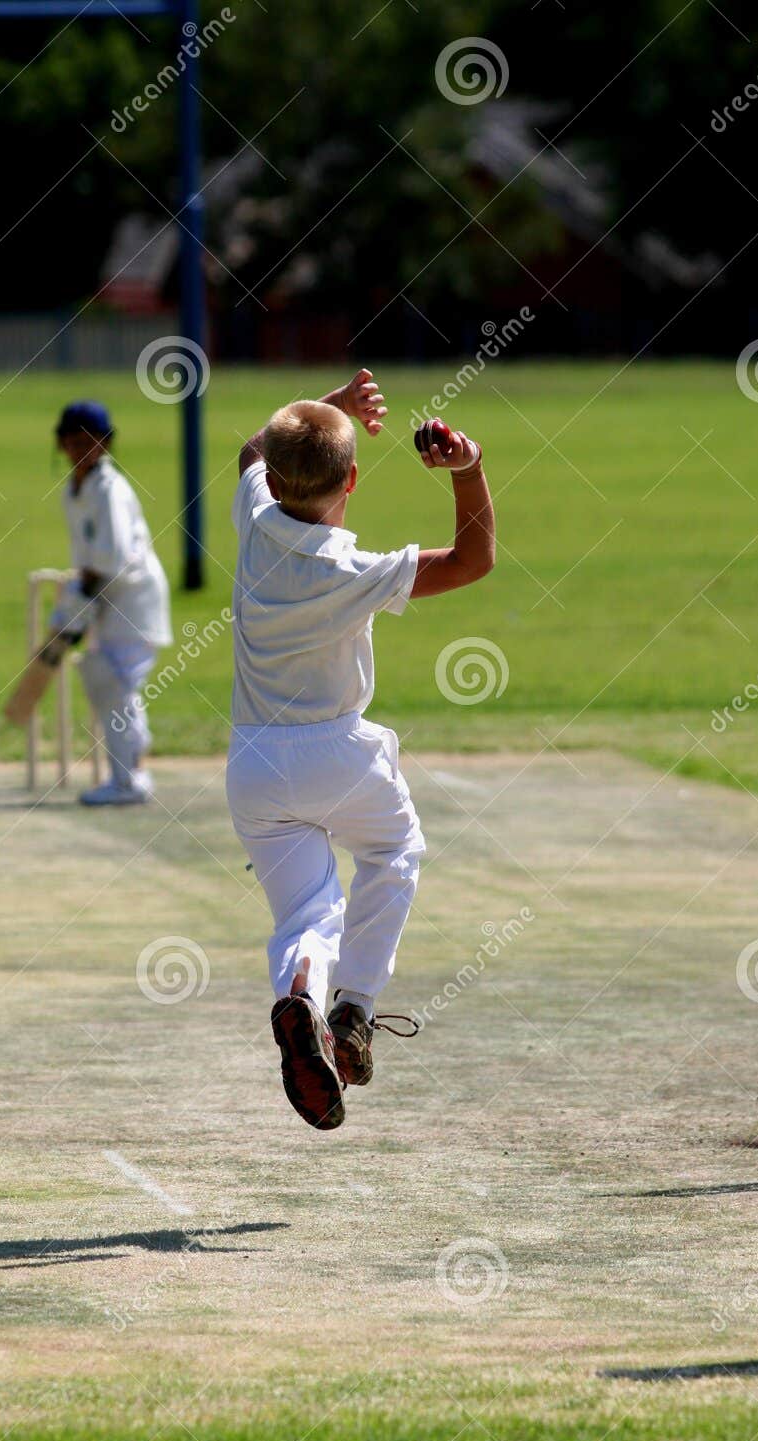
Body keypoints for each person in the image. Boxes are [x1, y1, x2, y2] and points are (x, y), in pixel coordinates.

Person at [226, 369, 496, 1131]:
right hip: (340, 754)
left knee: (306, 912)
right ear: (351, 480)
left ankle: (301, 996)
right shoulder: (357, 570)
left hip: (253, 763)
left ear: (274, 479)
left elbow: (252, 451)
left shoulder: (255, 518)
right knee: (393, 852)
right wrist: (467, 469)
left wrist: (329, 406)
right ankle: (352, 1011)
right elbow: (471, 561)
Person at [49, 400, 172, 806]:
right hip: (108, 600)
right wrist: (75, 604)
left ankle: (129, 780)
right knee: (106, 682)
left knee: (116, 686)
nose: (81, 449)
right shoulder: (75, 490)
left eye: (91, 441)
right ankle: (130, 774)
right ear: (62, 443)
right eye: (73, 440)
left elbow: (112, 558)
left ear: (104, 443)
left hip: (134, 600)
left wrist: (75, 606)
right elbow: (88, 559)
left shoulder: (110, 489)